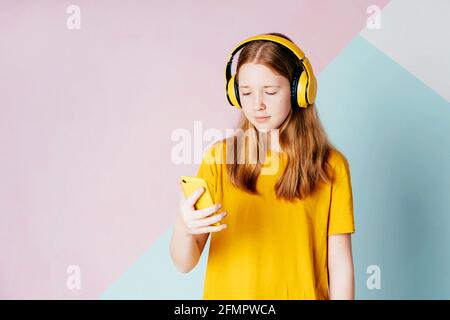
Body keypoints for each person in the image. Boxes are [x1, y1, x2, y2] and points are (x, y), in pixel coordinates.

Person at [169, 32, 356, 300]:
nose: (257, 104)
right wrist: (184, 228)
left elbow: (339, 266)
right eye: (245, 92)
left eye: (270, 91)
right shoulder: (219, 159)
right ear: (235, 94)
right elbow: (184, 263)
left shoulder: (331, 166)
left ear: (298, 90)